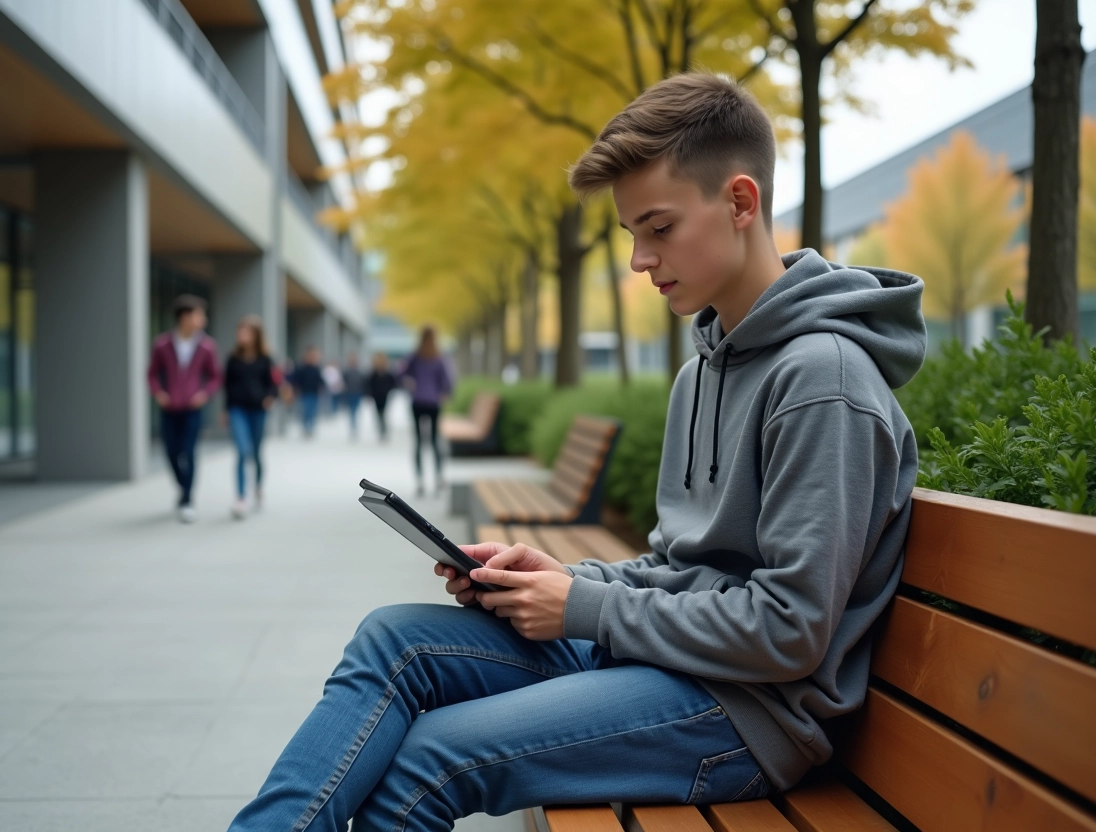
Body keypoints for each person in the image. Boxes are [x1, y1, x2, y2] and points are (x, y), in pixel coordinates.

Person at [227, 74, 925, 831]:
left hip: (746, 713)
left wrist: (586, 607)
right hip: (665, 664)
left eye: (658, 228)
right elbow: (677, 567)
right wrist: (565, 578)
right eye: (631, 234)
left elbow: (790, 631)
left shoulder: (823, 381)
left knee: (428, 760)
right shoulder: (703, 371)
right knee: (390, 642)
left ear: (740, 202)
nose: (638, 259)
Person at [147, 294, 222, 523]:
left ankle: (188, 499)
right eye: (199, 315)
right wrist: (158, 393)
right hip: (169, 407)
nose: (203, 319)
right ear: (185, 316)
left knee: (189, 452)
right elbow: (151, 374)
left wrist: (204, 394)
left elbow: (215, 376)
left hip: (192, 408)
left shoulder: (207, 346)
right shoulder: (162, 344)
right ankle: (183, 487)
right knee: (170, 452)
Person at [223, 315, 281, 519]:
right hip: (238, 410)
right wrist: (225, 411)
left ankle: (256, 486)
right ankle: (240, 497)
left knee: (255, 453)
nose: (242, 335)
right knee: (242, 450)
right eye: (240, 331)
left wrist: (269, 398)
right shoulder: (232, 359)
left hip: (258, 410)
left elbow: (275, 384)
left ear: (256, 335)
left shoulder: (266, 359)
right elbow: (227, 387)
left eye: (247, 332)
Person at [399, 326, 453, 495]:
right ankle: (438, 478)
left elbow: (400, 373)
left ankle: (420, 481)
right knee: (435, 440)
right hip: (434, 402)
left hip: (417, 401)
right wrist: (443, 394)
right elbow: (448, 381)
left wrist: (411, 384)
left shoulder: (415, 356)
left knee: (418, 442)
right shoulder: (439, 357)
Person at [286, 346, 325, 439]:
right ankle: (305, 428)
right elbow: (294, 379)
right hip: (304, 393)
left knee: (312, 412)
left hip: (314, 393)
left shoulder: (316, 368)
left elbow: (320, 380)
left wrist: (322, 387)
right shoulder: (301, 367)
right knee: (305, 411)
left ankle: (310, 428)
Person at [366, 352, 397, 442]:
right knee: (378, 413)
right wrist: (369, 394)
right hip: (376, 396)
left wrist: (389, 390)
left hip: (384, 395)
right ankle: (381, 429)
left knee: (383, 413)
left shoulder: (387, 373)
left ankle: (384, 430)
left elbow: (392, 383)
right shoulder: (374, 373)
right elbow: (370, 384)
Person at [341, 353, 367, 440]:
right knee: (351, 411)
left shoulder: (360, 372)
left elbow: (363, 383)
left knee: (355, 410)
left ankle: (355, 427)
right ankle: (353, 427)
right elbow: (343, 383)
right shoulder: (346, 372)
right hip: (349, 393)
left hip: (357, 393)